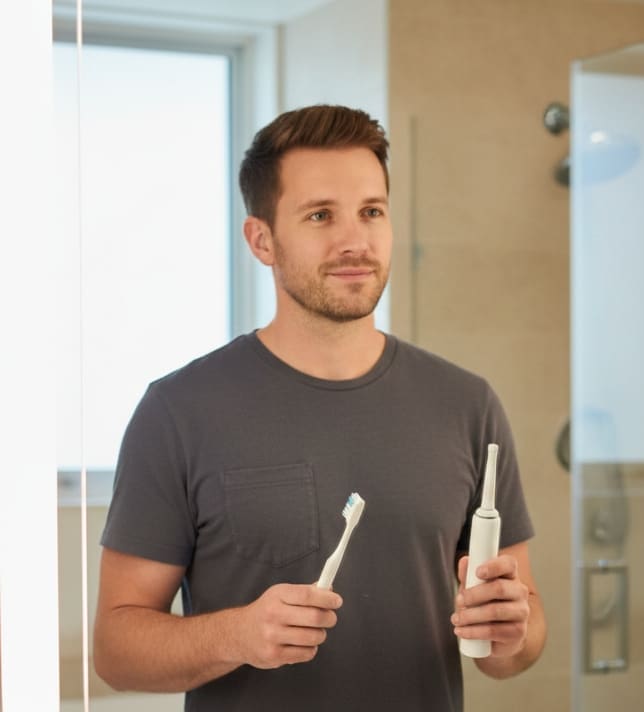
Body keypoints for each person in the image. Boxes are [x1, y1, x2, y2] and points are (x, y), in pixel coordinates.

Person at [92, 104, 547, 711]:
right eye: (320, 215)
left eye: (371, 212)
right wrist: (237, 634)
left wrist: (512, 633)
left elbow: (515, 647)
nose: (354, 241)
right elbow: (116, 651)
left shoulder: (467, 404)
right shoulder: (178, 411)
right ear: (261, 240)